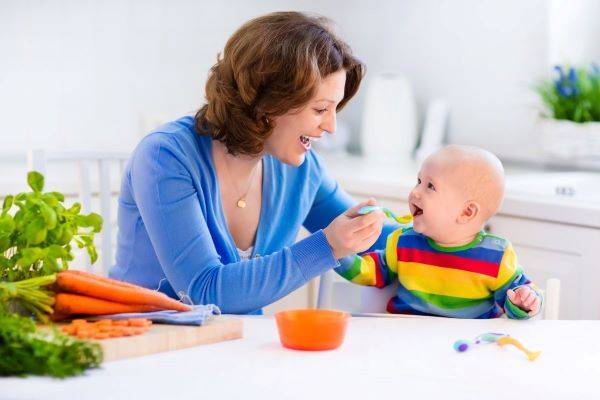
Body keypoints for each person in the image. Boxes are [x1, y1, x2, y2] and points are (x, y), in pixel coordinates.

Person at [109, 12, 392, 314]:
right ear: (270, 102)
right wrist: (327, 246)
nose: (331, 126)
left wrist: (435, 222)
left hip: (236, 347)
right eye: (320, 109)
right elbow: (205, 291)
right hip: (147, 343)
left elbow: (378, 240)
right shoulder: (165, 157)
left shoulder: (302, 171)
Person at [335, 145, 543, 319]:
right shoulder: (403, 242)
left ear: (466, 212)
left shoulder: (497, 256)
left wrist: (523, 301)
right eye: (418, 181)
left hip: (464, 348)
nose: (415, 192)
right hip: (405, 339)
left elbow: (517, 298)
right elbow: (370, 272)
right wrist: (337, 251)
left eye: (430, 186)